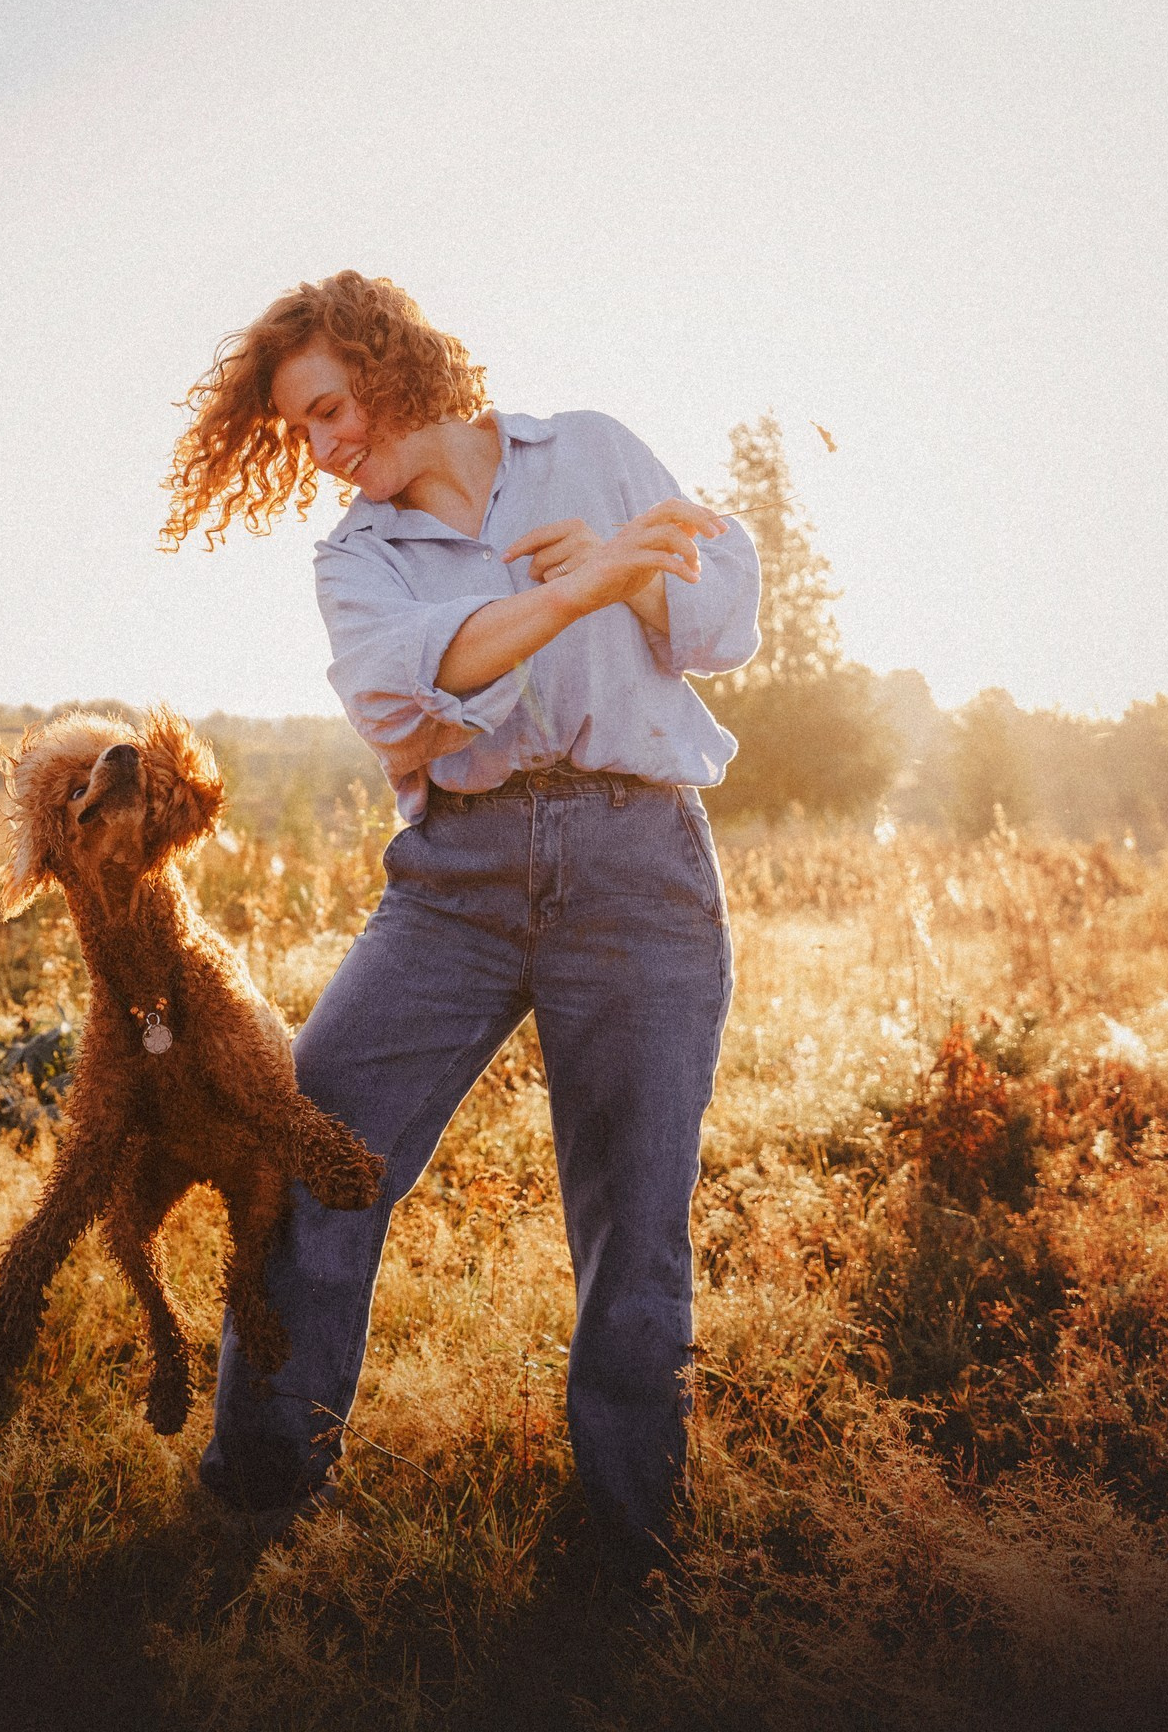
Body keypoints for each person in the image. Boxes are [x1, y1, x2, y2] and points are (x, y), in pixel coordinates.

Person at [160, 271, 760, 1570]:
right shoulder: (356, 559)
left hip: (638, 864)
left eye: (329, 410)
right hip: (458, 879)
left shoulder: (590, 451)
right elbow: (405, 693)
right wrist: (576, 592)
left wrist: (636, 586)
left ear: (390, 365)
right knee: (312, 1150)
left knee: (634, 1213)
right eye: (297, 435)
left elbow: (723, 619)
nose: (323, 450)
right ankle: (258, 1488)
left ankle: (628, 1540)